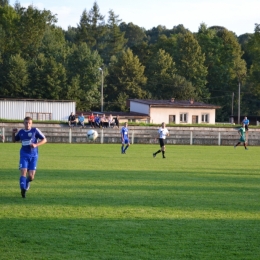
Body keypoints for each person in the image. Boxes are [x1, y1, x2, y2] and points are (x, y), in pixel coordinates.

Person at [12, 116, 47, 198]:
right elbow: (14, 140)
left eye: (29, 123)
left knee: (31, 177)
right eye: (26, 123)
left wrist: (36, 145)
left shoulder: (35, 131)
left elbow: (45, 140)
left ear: (31, 123)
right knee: (23, 171)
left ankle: (27, 182)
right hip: (24, 155)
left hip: (33, 156)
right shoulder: (21, 132)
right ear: (24, 123)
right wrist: (13, 133)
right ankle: (23, 190)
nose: (27, 124)